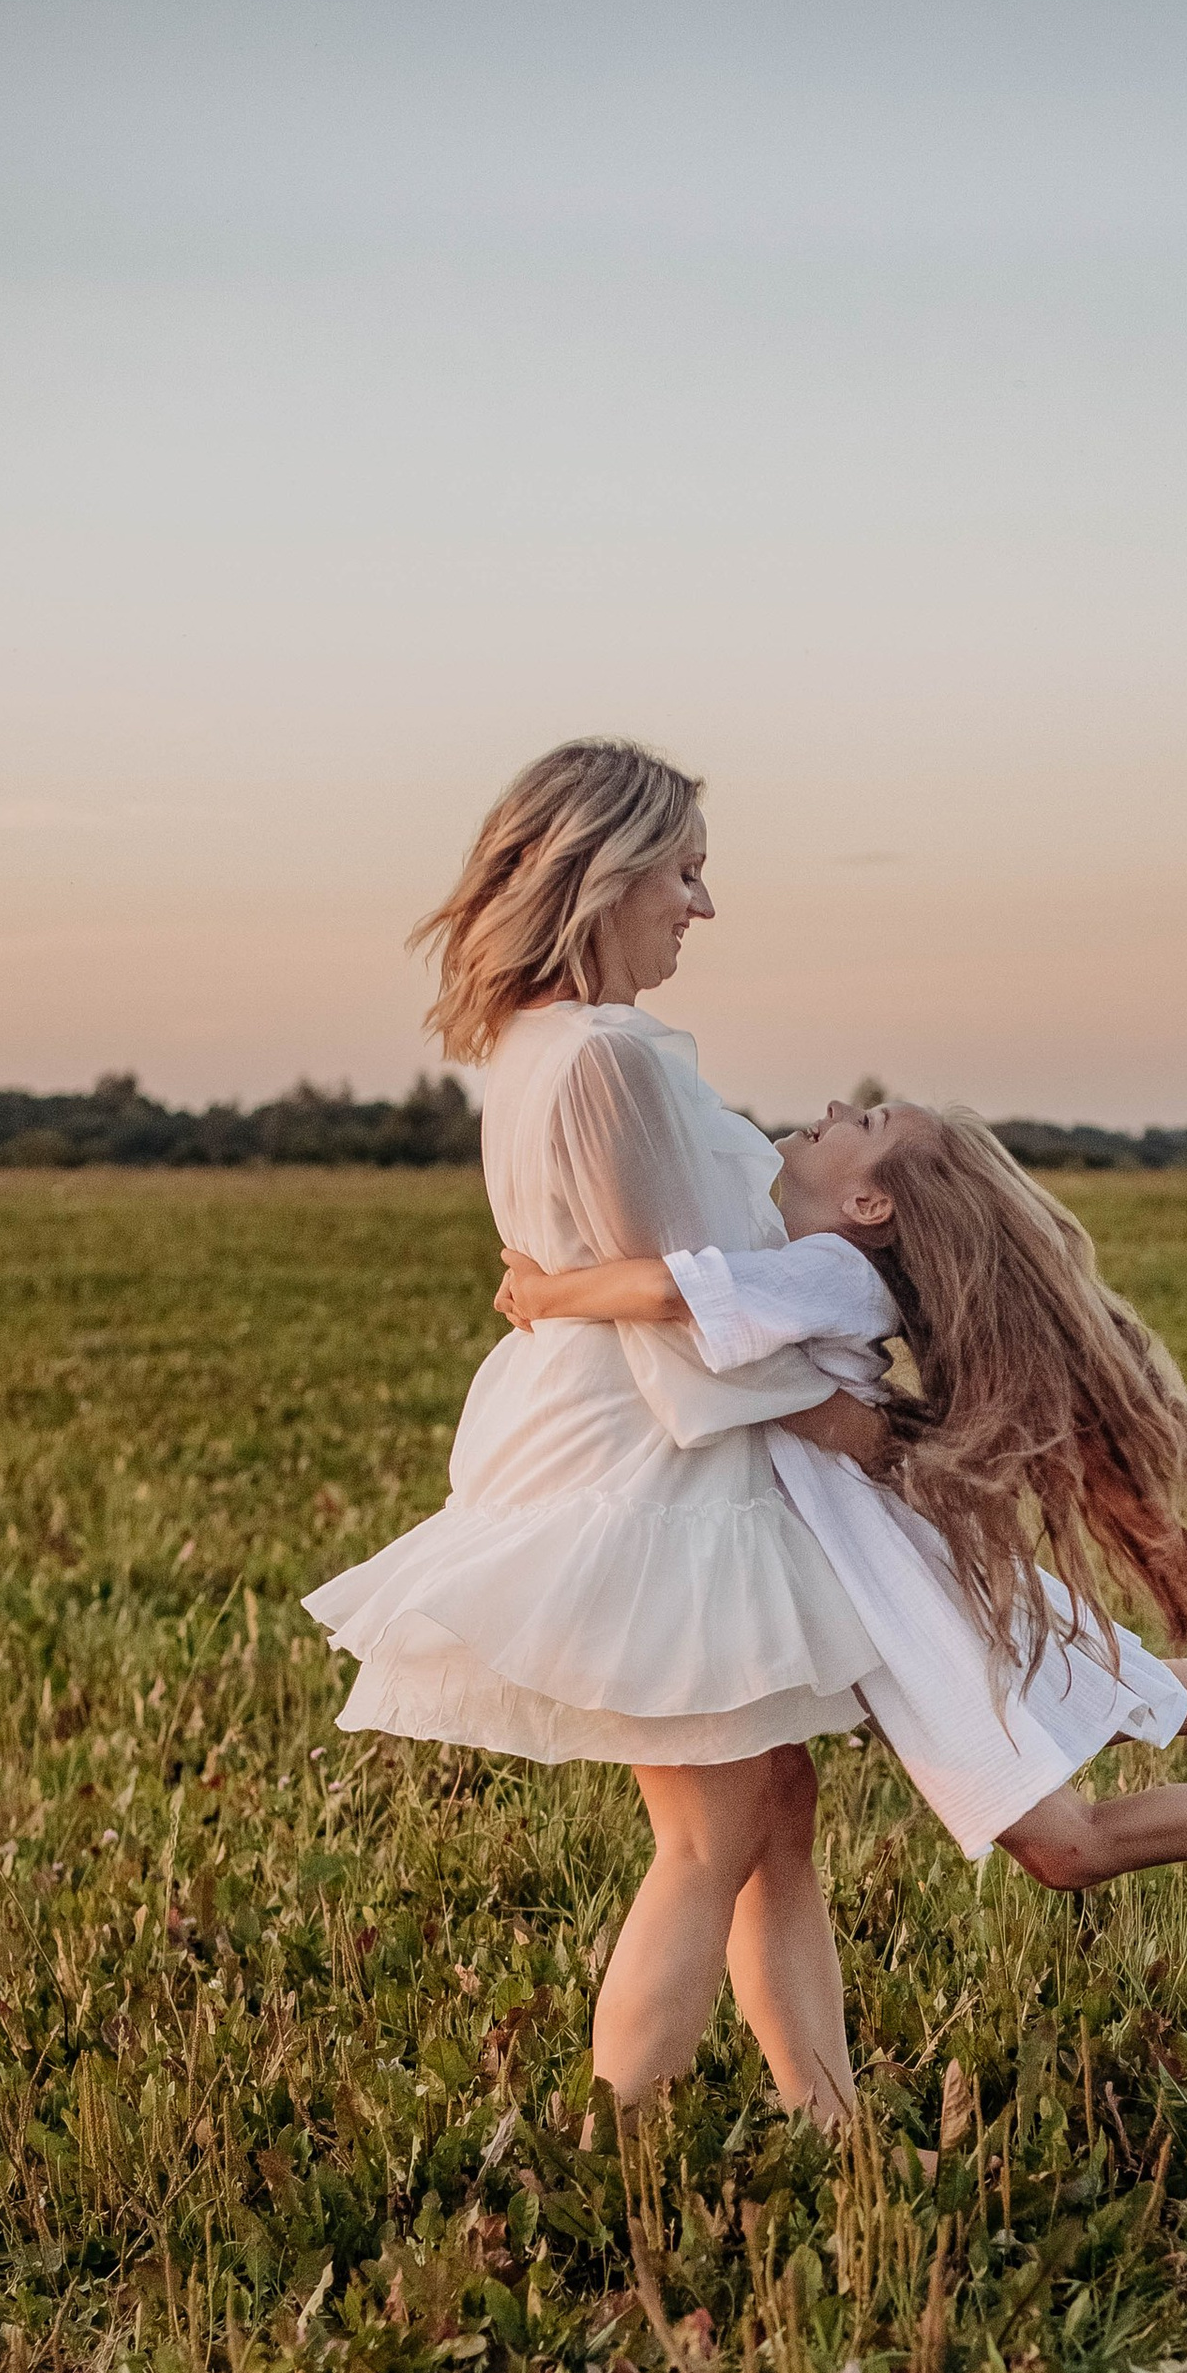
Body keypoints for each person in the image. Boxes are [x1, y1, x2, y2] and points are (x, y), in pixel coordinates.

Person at [306, 738, 893, 2124]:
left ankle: (832, 2124)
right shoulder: (610, 1052)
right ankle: (620, 2139)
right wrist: (844, 1422)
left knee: (773, 1812)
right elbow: (683, 1316)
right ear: (606, 871)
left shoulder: (539, 1048)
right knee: (711, 1834)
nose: (702, 908)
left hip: (620, 1448)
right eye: (684, 874)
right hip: (659, 1469)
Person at [490, 1090, 1187, 1887]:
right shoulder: (818, 1265)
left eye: (868, 1121)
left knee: (1069, 1845)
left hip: (885, 1584)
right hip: (889, 1552)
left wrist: (544, 1294)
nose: (837, 1106)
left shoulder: (831, 1271)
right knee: (1115, 1685)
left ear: (870, 1205)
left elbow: (672, 1293)